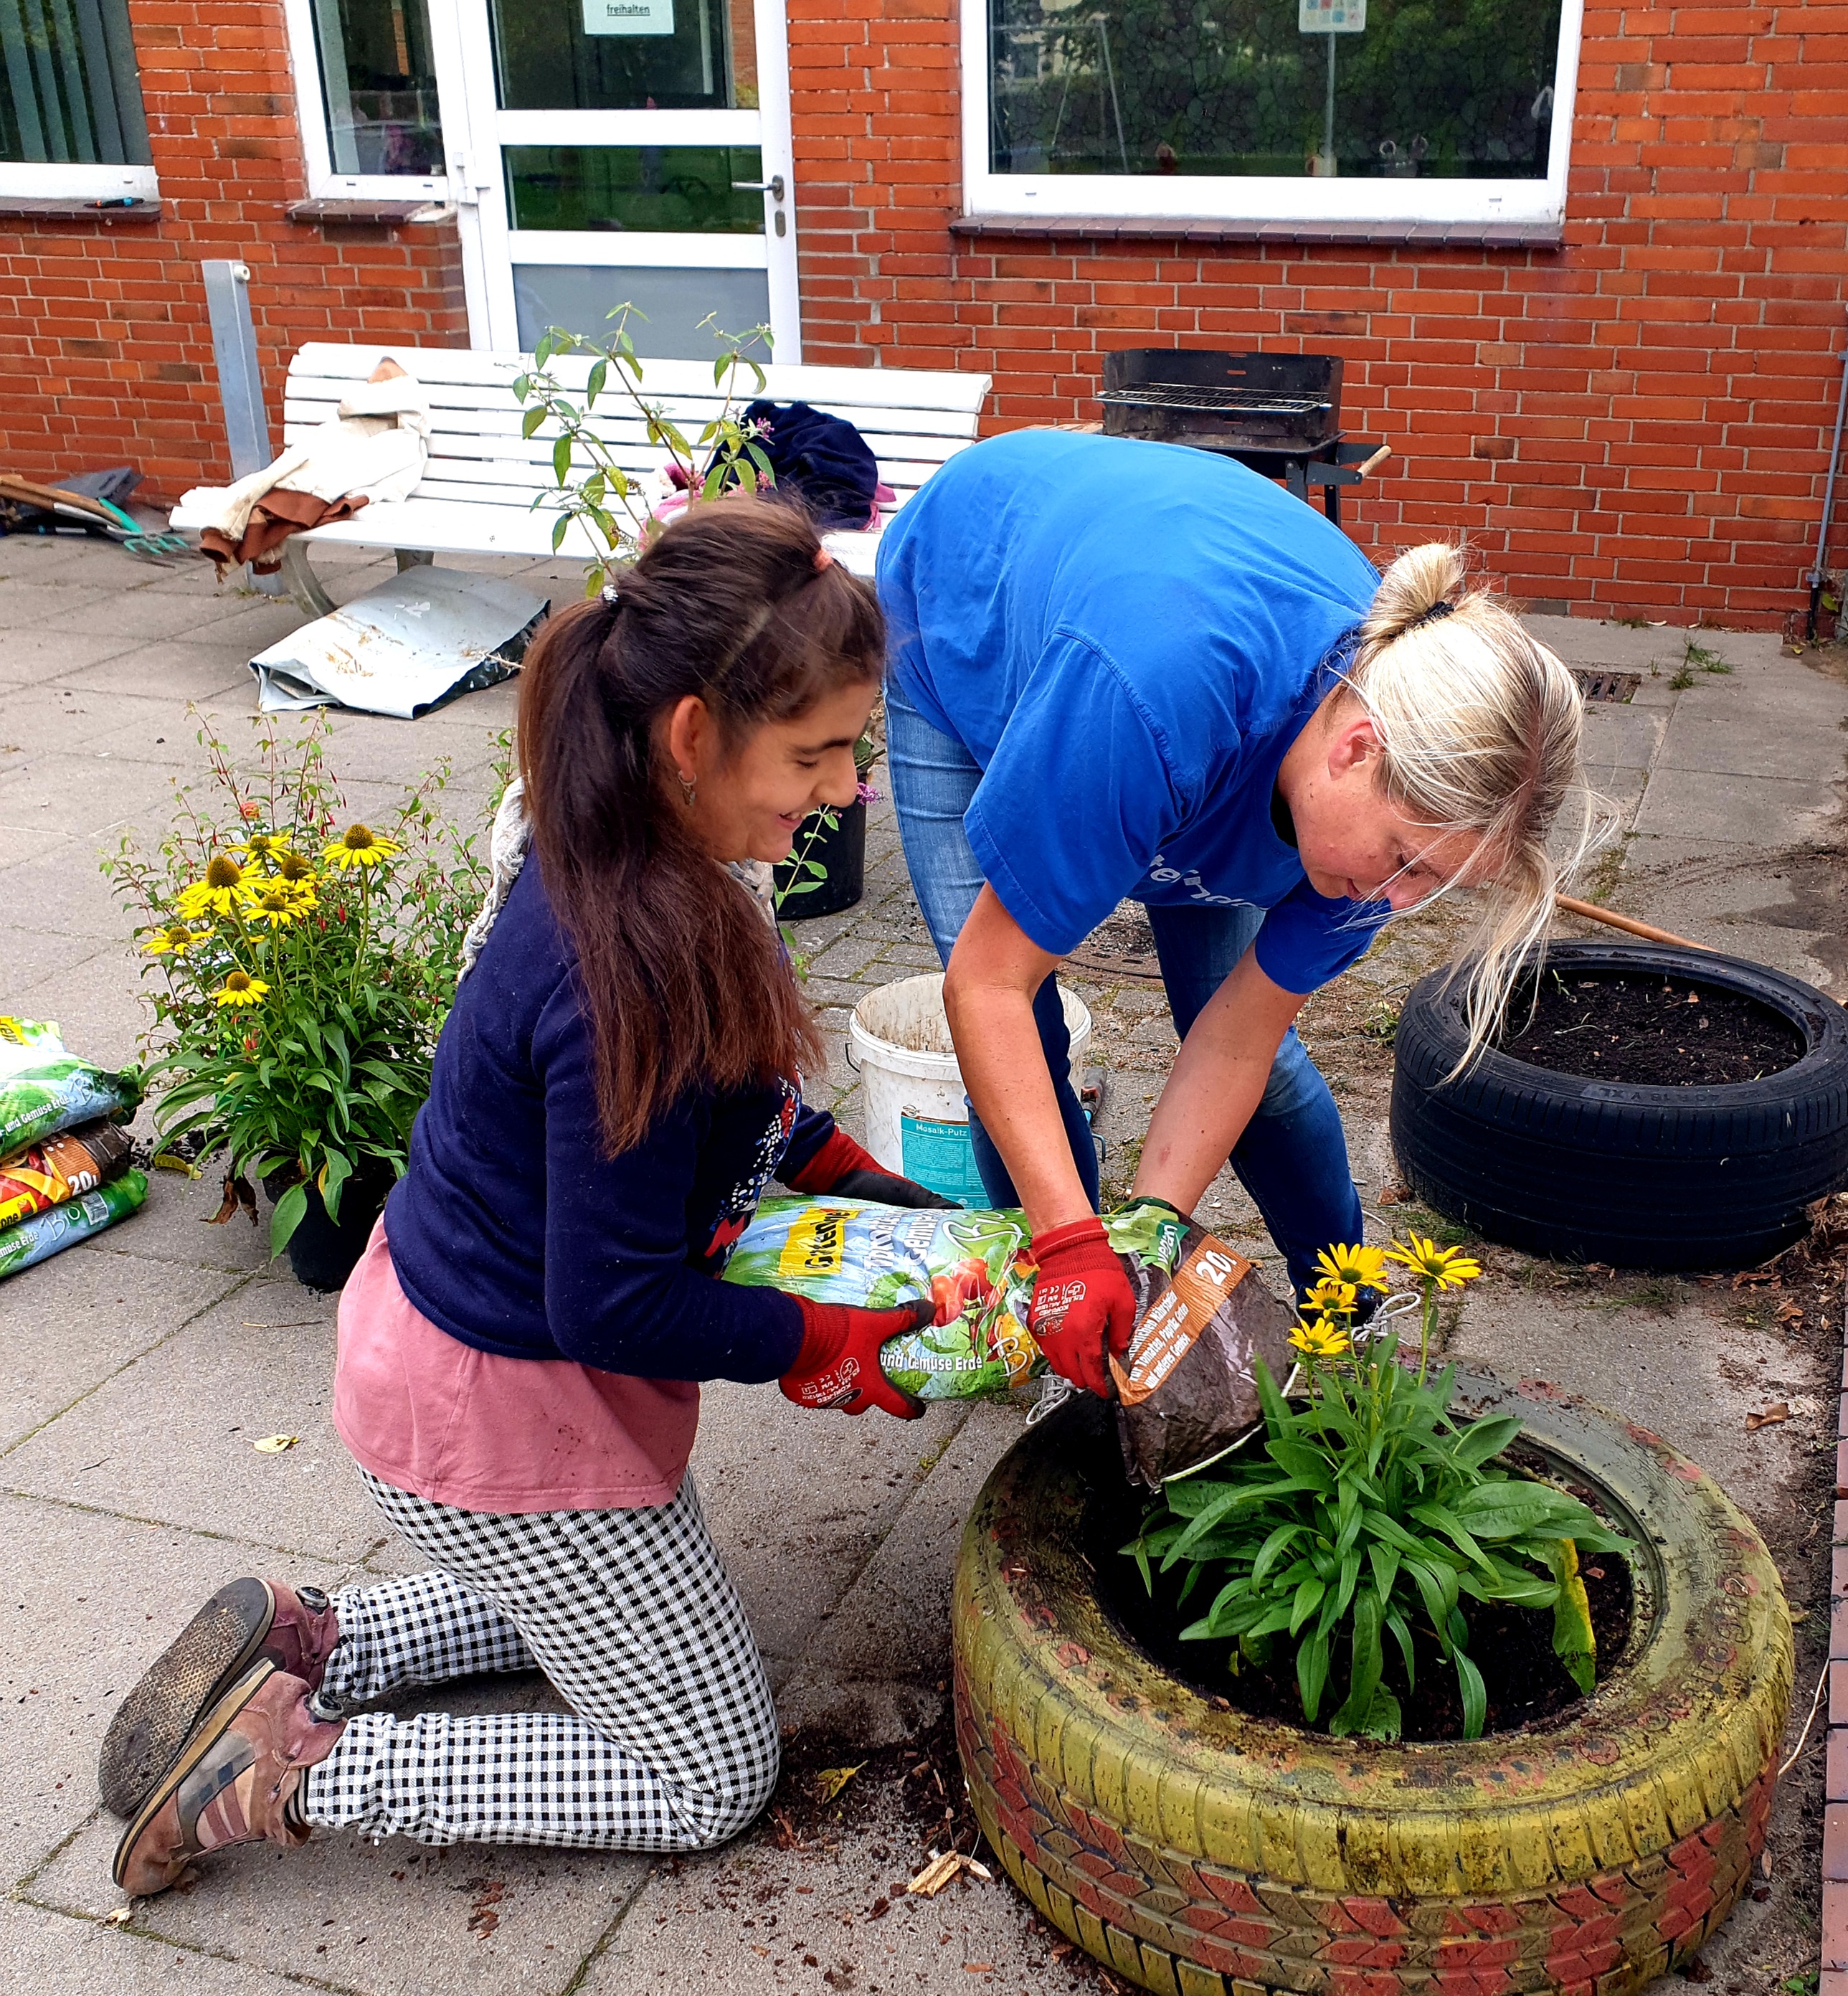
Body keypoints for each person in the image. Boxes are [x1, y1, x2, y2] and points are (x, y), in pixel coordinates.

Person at [102, 502, 953, 1894]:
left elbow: (723, 1107)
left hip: (455, 1338)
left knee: (618, 1599)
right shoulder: (622, 968)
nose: (847, 786)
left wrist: (846, 1173)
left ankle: (324, 1638)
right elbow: (615, 1300)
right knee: (707, 1770)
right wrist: (820, 1343)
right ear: (690, 734)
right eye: (812, 753)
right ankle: (287, 1762)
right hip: (501, 1405)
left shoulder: (629, 859)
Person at [877, 427, 1591, 1399]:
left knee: (1251, 1040)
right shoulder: (1152, 695)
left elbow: (1235, 1040)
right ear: (1354, 751)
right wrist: (1071, 1248)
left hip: (1187, 695)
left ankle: (1342, 1313)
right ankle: (1060, 1338)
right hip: (966, 621)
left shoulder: (1382, 807)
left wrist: (1144, 1242)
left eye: (1438, 884)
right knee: (1020, 1037)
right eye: (1405, 862)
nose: (1398, 903)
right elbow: (987, 987)